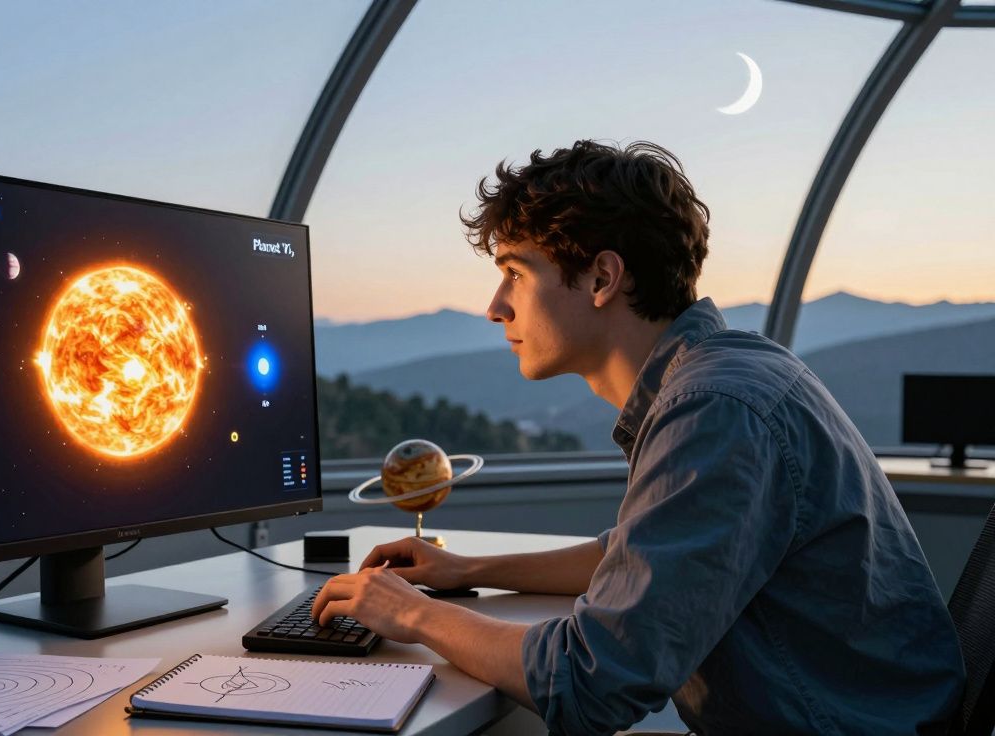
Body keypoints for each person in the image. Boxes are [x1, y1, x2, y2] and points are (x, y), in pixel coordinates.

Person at [311, 140, 964, 735]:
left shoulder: (715, 405)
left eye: (516, 271)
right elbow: (638, 556)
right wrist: (467, 571)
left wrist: (413, 616)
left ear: (602, 278)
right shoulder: (725, 373)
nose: (495, 305)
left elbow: (591, 681)